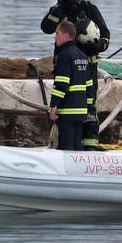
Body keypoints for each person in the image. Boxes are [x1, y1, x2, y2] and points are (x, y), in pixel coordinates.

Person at [41, 0, 110, 149]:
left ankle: (90, 147)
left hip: (88, 64)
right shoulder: (59, 9)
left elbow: (105, 33)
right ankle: (67, 145)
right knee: (66, 106)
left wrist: (98, 46)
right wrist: (57, 11)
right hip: (65, 64)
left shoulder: (90, 9)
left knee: (89, 106)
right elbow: (46, 28)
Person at [48, 21, 90, 151]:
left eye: (57, 34)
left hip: (67, 110)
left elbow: (62, 84)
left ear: (66, 35)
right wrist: (87, 106)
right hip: (81, 111)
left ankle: (69, 170)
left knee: (67, 147)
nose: (55, 37)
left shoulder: (65, 56)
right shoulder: (83, 56)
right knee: (77, 145)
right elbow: (89, 86)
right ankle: (80, 170)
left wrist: (53, 106)